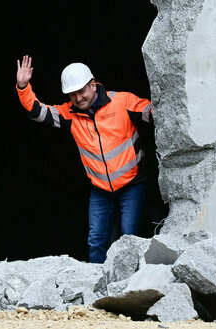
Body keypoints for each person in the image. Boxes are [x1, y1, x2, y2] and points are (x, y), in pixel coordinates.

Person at [15, 55, 153, 263]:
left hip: (132, 183)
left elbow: (153, 112)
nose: (78, 99)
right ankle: (96, 286)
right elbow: (38, 113)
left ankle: (132, 285)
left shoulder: (121, 101)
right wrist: (23, 86)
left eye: (81, 92)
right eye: (72, 95)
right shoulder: (69, 114)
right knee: (96, 239)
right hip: (101, 189)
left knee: (129, 235)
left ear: (93, 84)